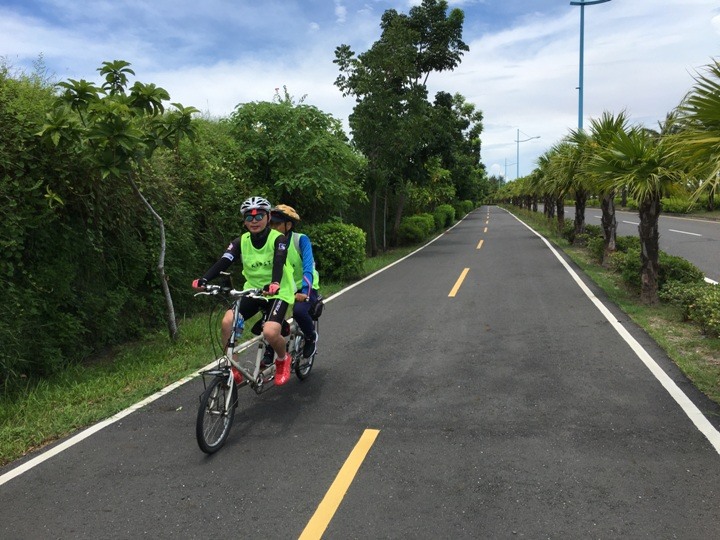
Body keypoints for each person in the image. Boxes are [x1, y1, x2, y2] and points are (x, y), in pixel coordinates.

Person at [192, 196, 296, 386]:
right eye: (249, 217)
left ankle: (282, 359)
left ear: (268, 217)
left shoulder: (278, 239)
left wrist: (274, 282)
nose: (254, 221)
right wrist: (204, 279)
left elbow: (279, 260)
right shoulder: (240, 241)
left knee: (271, 332)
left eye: (259, 216)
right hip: (253, 292)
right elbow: (225, 260)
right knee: (227, 322)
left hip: (278, 292)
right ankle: (234, 368)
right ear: (244, 220)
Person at [269, 204, 320, 359]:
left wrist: (305, 291)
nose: (272, 227)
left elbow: (308, 268)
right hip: (284, 288)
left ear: (288, 225)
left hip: (304, 287)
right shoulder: (271, 242)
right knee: (269, 319)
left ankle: (311, 337)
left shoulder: (300, 240)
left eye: (276, 224)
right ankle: (271, 349)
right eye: (270, 224)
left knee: (298, 312)